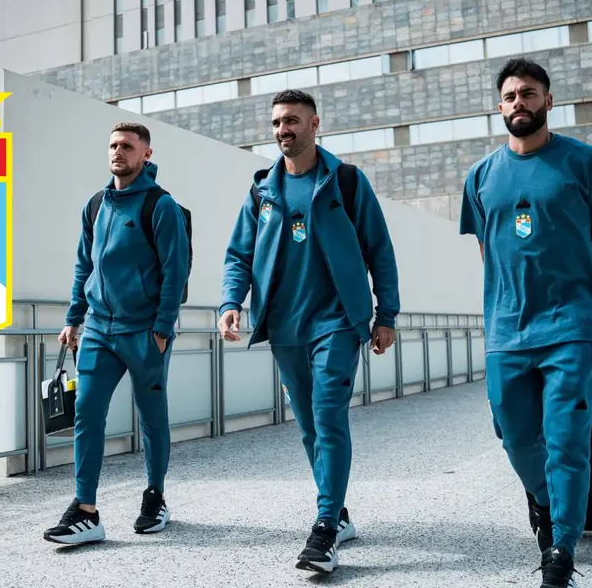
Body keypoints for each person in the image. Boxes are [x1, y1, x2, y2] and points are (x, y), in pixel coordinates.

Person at [458, 58, 592, 588]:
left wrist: (587, 290)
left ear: (548, 101)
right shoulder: (481, 176)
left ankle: (562, 547)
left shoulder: (582, 161)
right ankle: (544, 499)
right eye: (510, 96)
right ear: (499, 106)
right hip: (508, 328)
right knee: (513, 433)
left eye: (528, 94)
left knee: (566, 438)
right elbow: (492, 248)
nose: (519, 103)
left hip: (571, 325)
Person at [218, 89, 400, 574]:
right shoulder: (262, 191)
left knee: (329, 415)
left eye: (293, 121)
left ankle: (323, 529)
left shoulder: (345, 182)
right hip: (284, 326)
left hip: (338, 321)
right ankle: (337, 510)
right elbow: (238, 254)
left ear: (315, 124)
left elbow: (379, 249)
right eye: (278, 122)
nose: (284, 130)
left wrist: (387, 315)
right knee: (308, 426)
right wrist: (231, 301)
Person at [43, 121, 190, 546]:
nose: (117, 152)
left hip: (144, 333)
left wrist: (162, 330)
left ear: (146, 153)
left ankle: (155, 496)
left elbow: (174, 270)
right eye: (113, 145)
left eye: (127, 146)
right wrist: (74, 318)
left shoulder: (160, 206)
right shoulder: (95, 205)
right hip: (99, 332)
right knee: (87, 414)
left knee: (151, 418)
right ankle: (86, 510)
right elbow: (83, 266)